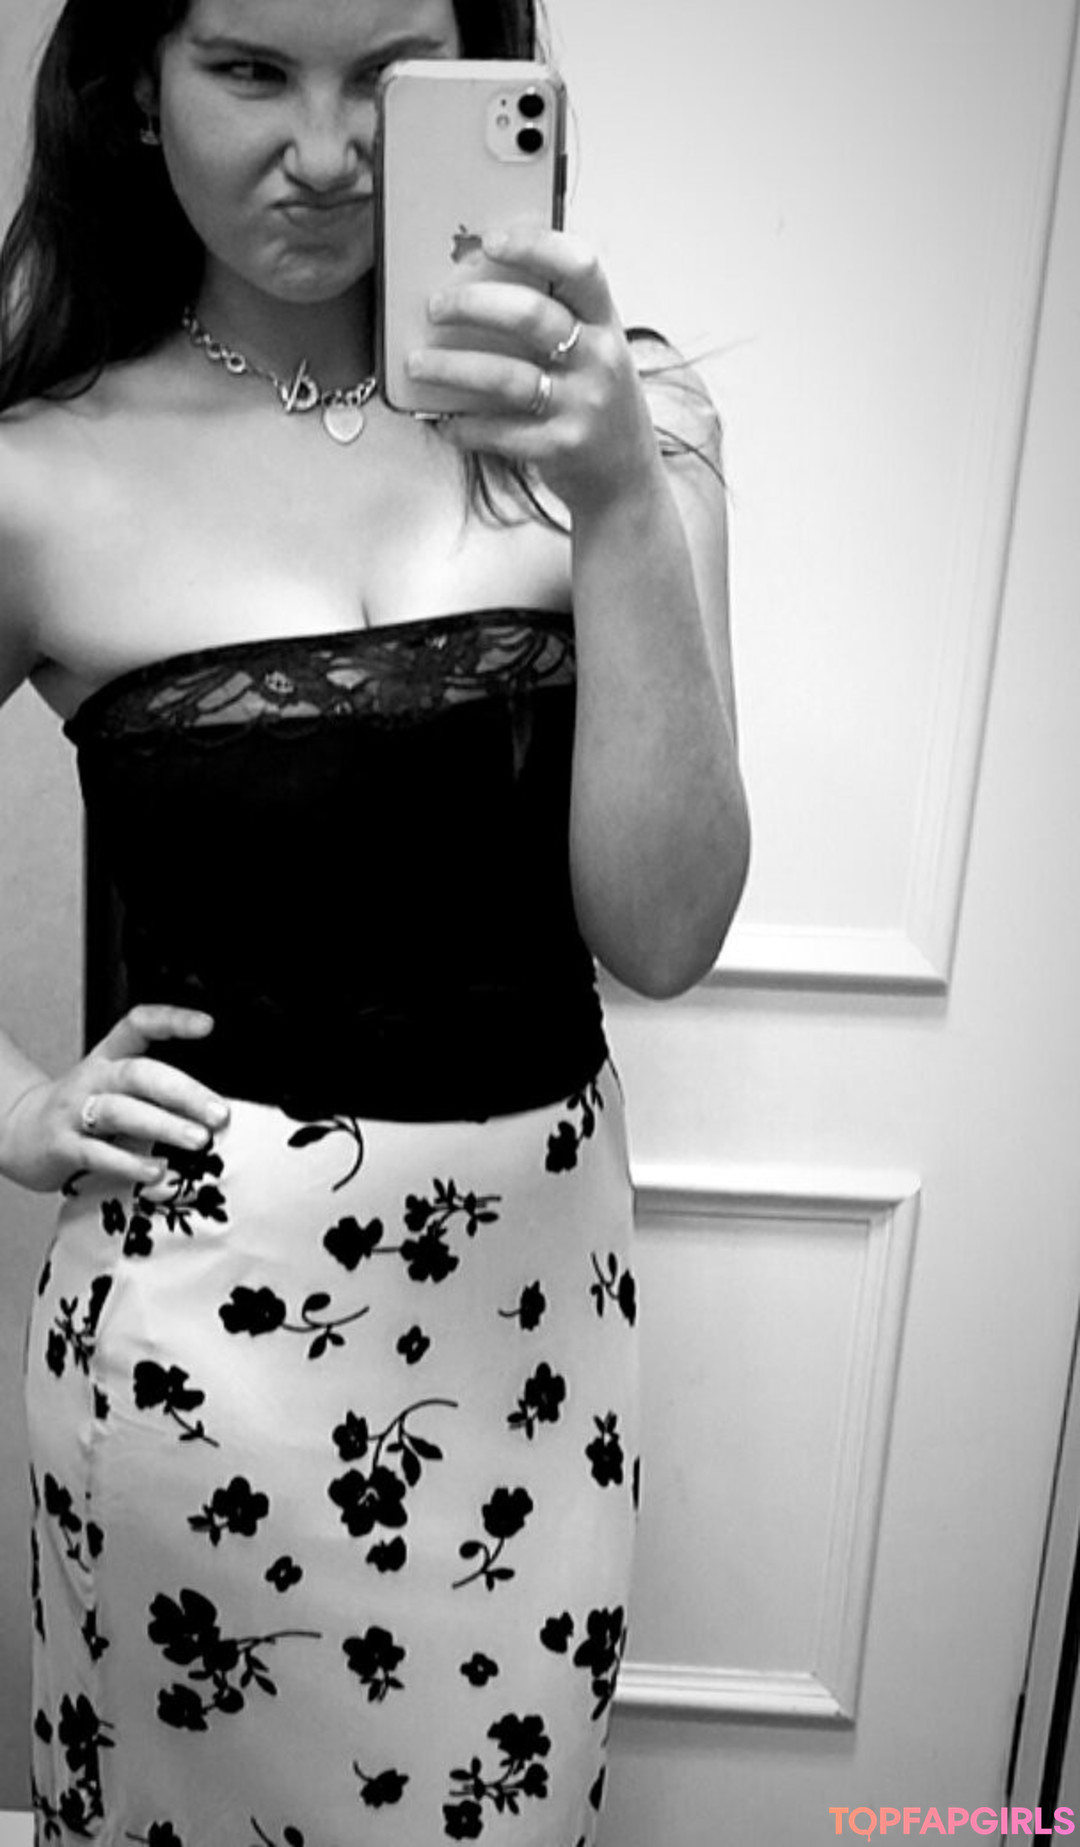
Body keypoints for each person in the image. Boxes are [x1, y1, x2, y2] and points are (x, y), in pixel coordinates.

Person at [0, 0, 749, 1839]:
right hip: (196, 1358)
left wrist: (618, 503)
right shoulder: (38, 474)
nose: (328, 154)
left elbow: (664, 932)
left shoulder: (629, 428)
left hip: (529, 1343)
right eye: (252, 69)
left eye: (390, 75)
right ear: (136, 88)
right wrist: (12, 1104)